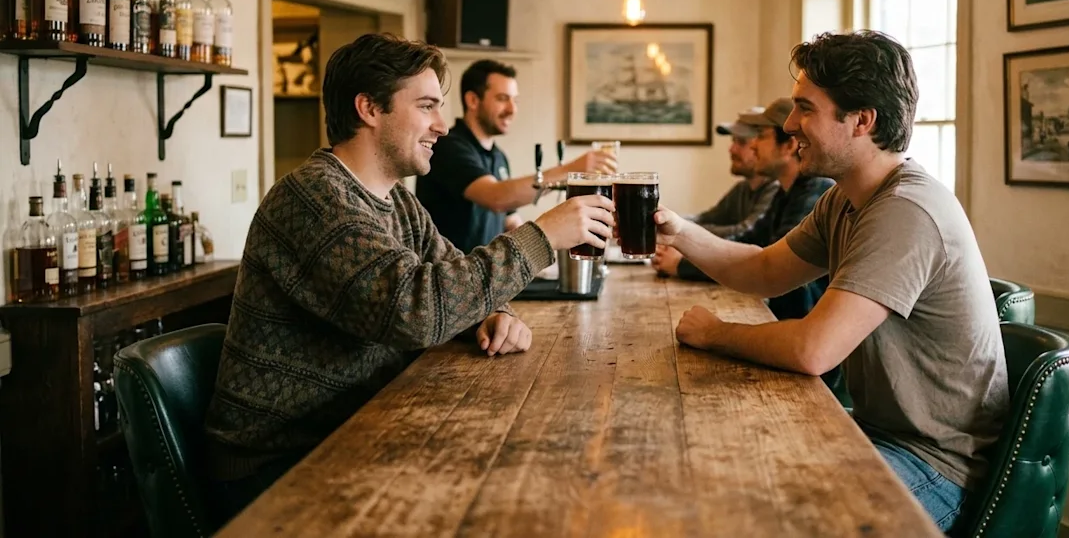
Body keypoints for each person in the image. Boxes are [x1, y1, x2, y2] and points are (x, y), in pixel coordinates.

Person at [204, 35, 615, 522]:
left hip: (357, 428)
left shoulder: (396, 199)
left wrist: (493, 312)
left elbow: (449, 273)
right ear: (369, 108)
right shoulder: (314, 197)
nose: (442, 127)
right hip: (280, 463)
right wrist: (540, 236)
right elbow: (414, 310)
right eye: (426, 107)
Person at [654, 30, 1009, 534]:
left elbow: (812, 350)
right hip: (878, 437)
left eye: (805, 108)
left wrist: (715, 333)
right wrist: (680, 231)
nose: (790, 123)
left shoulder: (904, 210)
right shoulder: (844, 199)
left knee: (761, 518)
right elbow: (764, 271)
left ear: (862, 120)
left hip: (937, 470)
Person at [654, 98, 833, 322]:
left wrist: (682, 263)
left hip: (798, 331)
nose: (753, 145)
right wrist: (679, 239)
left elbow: (772, 267)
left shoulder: (817, 194)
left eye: (761, 136)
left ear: (789, 145)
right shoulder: (786, 193)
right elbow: (749, 241)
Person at [415, 59, 617, 252]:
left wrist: (548, 252)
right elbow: (496, 197)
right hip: (453, 279)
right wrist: (569, 170)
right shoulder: (448, 147)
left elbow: (509, 220)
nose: (512, 109)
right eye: (503, 99)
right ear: (473, 100)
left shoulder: (498, 156)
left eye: (515, 100)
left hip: (487, 281)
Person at [684, 109, 780, 239]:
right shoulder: (742, 189)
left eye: (741, 142)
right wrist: (670, 221)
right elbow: (706, 218)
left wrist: (686, 230)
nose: (731, 149)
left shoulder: (776, 190)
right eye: (733, 141)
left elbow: (745, 231)